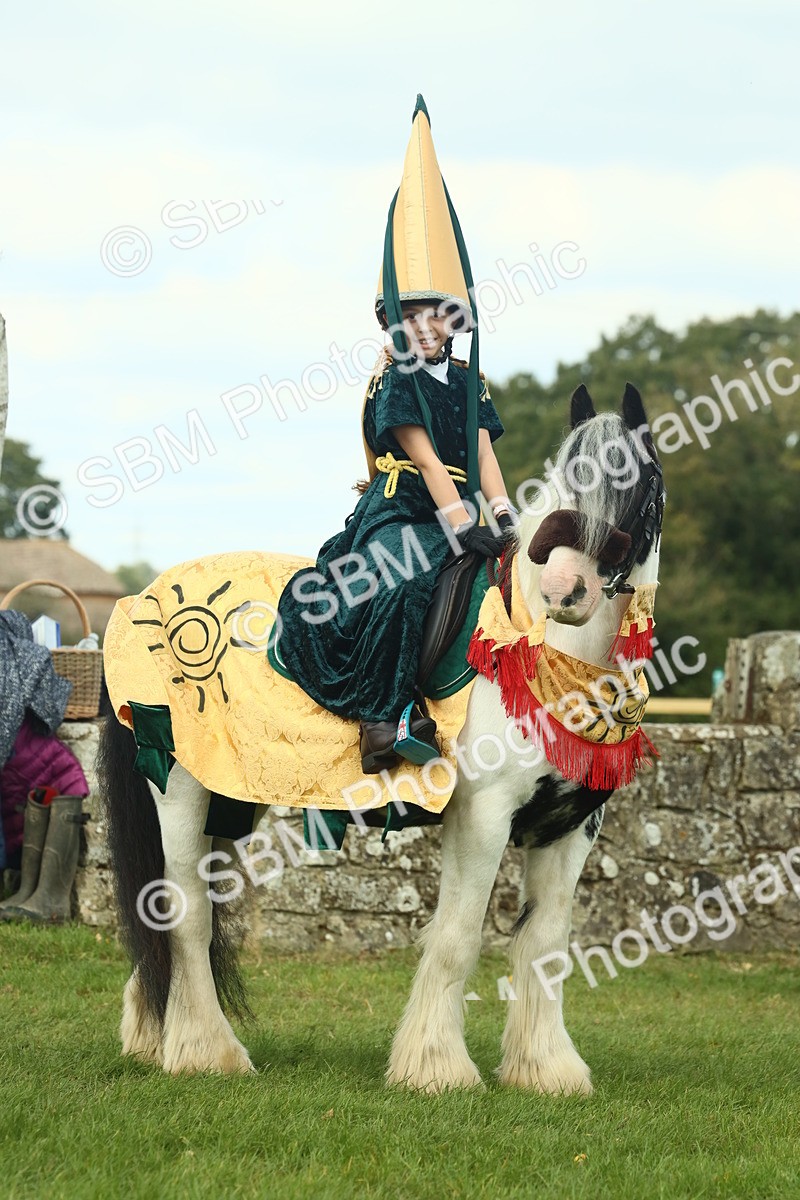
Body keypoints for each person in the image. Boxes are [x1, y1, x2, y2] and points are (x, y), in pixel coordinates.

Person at [275, 96, 515, 774]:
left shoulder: (469, 380)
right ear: (396, 320)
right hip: (405, 509)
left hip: (463, 509)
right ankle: (383, 721)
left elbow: (483, 455)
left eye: (437, 314)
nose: (426, 326)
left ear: (454, 317)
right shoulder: (398, 378)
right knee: (407, 580)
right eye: (413, 314)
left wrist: (502, 517)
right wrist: (458, 520)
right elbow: (431, 461)